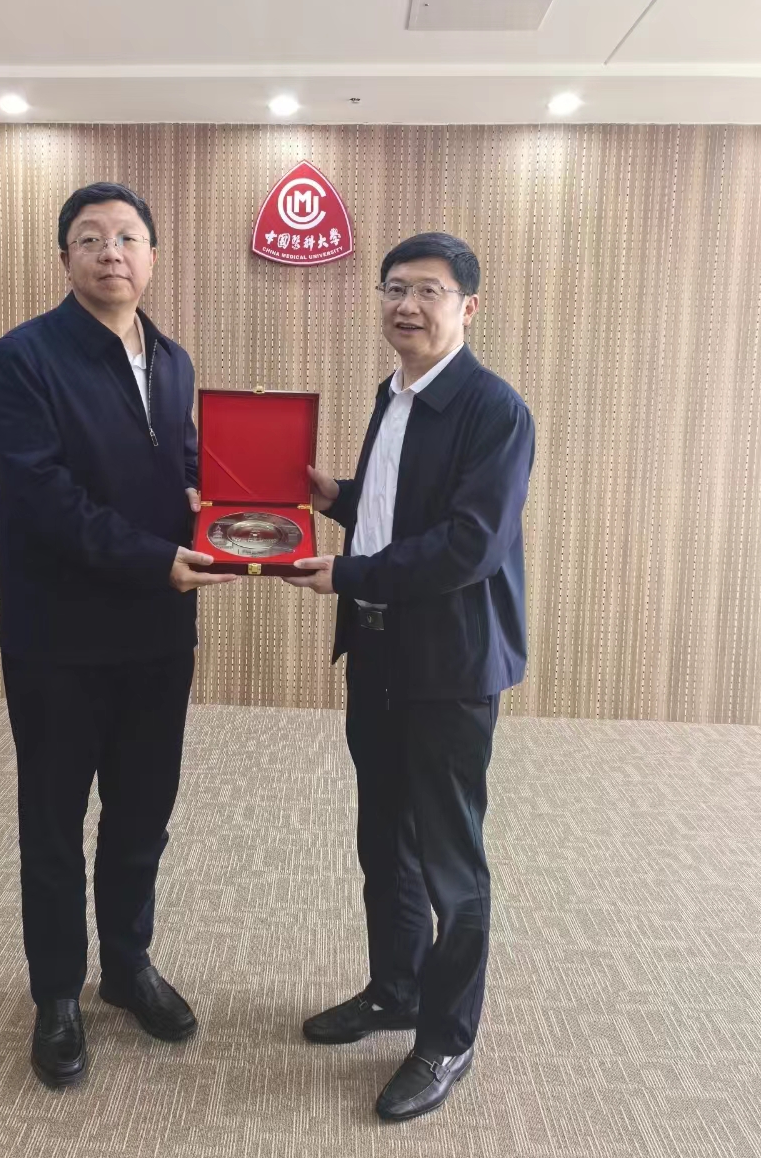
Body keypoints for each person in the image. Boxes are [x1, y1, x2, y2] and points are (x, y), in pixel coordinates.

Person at [0, 182, 236, 1089]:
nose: (110, 252)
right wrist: (155, 555)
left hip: (159, 632)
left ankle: (127, 966)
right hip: (59, 636)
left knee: (141, 813)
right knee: (53, 822)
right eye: (89, 238)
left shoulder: (172, 359)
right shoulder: (25, 357)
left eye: (128, 237)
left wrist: (242, 502)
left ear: (153, 257)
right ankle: (57, 994)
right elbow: (41, 493)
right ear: (66, 259)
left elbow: (187, 462)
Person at [284, 231, 535, 1123]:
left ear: (469, 307)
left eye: (429, 290)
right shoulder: (392, 395)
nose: (408, 305)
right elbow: (399, 508)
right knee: (384, 836)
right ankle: (396, 987)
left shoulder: (494, 409)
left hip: (451, 664)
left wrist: (349, 572)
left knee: (449, 861)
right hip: (380, 651)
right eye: (395, 288)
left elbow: (469, 543)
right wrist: (337, 499)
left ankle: (447, 1036)